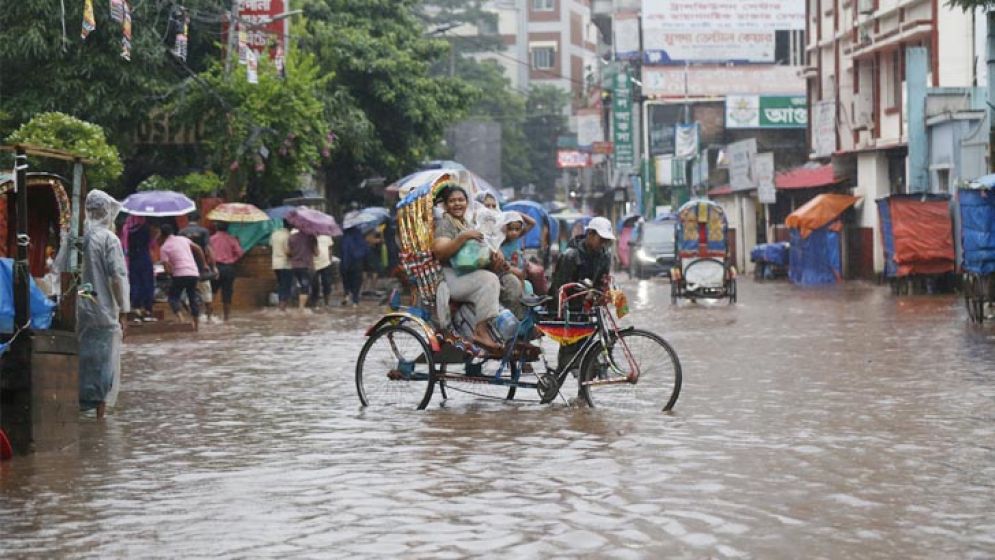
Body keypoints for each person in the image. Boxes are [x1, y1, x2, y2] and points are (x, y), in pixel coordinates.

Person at [76, 190, 130, 418]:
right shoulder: (109, 239)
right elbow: (118, 276)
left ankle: (78, 408)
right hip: (103, 309)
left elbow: (60, 270)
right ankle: (99, 417)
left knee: (80, 357)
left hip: (78, 307)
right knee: (103, 362)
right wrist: (124, 309)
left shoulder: (74, 238)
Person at [431, 184, 504, 351]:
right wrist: (462, 238)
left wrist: (495, 252)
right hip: (450, 277)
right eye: (452, 201)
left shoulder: (468, 223)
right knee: (489, 280)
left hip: (466, 274)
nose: (457, 204)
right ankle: (481, 332)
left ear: (467, 202)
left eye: (461, 200)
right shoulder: (445, 223)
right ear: (445, 205)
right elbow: (440, 253)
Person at [548, 216, 615, 371]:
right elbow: (559, 287)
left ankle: (584, 389)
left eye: (606, 240)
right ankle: (562, 376)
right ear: (590, 234)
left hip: (589, 307)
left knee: (598, 344)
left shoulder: (605, 256)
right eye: (601, 239)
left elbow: (602, 280)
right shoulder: (571, 255)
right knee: (570, 352)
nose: (603, 244)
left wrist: (604, 292)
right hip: (569, 308)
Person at [159, 223, 205, 330]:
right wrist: (203, 265)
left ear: (162, 235)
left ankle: (182, 320)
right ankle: (196, 326)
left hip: (179, 274)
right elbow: (198, 249)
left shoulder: (164, 247)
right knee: (192, 297)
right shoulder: (183, 239)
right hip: (193, 273)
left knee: (173, 297)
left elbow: (166, 268)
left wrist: (170, 273)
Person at [497, 210, 536, 318]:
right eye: (510, 229)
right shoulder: (499, 243)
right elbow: (504, 266)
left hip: (519, 272)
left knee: (525, 290)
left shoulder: (516, 238)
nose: (514, 232)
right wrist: (518, 272)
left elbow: (532, 223)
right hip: (506, 273)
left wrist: (517, 213)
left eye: (517, 229)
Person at [181, 214, 216, 322]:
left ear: (188, 219)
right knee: (207, 294)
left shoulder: (182, 232)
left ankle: (194, 317)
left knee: (186, 294)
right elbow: (208, 249)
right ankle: (209, 319)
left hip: (186, 267)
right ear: (199, 219)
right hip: (201, 268)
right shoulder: (204, 231)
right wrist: (213, 266)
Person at [209, 221, 244, 321]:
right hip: (229, 268)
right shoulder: (232, 239)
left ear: (216, 227)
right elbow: (240, 253)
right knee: (227, 292)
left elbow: (207, 253)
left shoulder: (211, 239)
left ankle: (208, 316)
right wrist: (233, 258)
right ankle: (226, 318)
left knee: (211, 292)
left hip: (215, 268)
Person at [122, 215, 155, 319]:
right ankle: (148, 308)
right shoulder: (146, 228)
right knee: (147, 282)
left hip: (133, 258)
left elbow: (124, 244)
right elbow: (151, 244)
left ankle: (136, 307)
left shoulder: (127, 229)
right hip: (145, 257)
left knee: (135, 282)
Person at [288, 228, 317, 309]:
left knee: (296, 285)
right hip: (306, 265)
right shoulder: (311, 237)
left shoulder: (292, 237)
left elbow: (289, 252)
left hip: (294, 266)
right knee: (305, 287)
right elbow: (317, 253)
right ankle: (301, 308)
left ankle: (293, 304)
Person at [340, 227, 369, 307]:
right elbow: (366, 251)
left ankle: (346, 294)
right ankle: (355, 301)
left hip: (346, 262)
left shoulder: (345, 237)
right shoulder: (360, 237)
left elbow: (343, 250)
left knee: (346, 280)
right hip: (357, 263)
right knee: (357, 281)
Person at [310, 233, 338, 307]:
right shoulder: (309, 237)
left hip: (326, 263)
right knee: (315, 285)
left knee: (327, 283)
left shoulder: (327, 236)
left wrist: (330, 260)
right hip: (313, 264)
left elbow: (330, 249)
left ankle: (327, 303)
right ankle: (315, 303)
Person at [270, 222, 292, 311]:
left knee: (280, 284)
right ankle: (282, 308)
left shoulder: (274, 233)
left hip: (275, 263)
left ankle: (281, 305)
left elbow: (271, 245)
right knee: (285, 286)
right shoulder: (288, 236)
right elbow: (287, 251)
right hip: (285, 264)